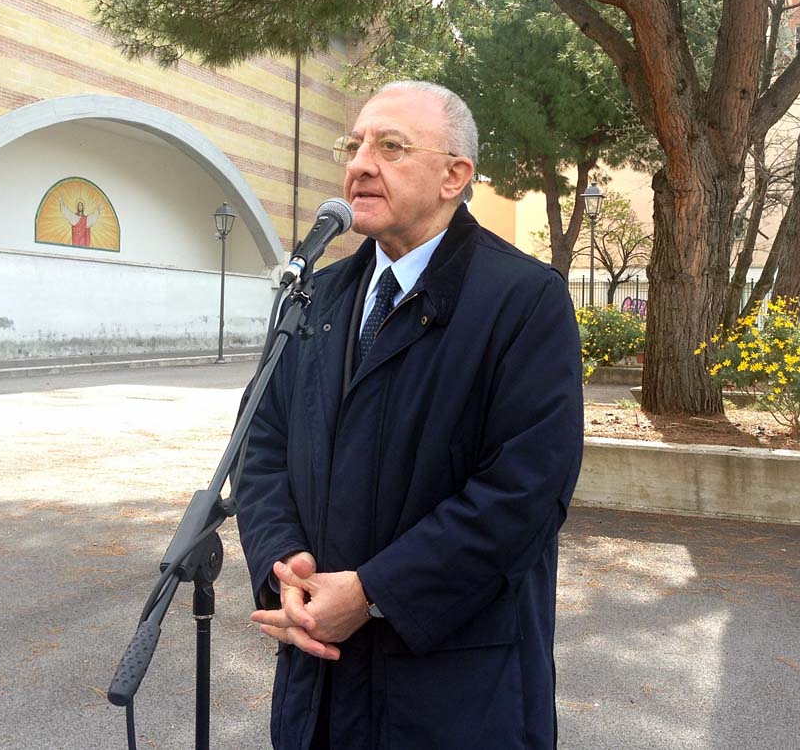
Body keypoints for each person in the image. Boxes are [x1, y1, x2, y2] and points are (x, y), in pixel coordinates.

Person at [235, 80, 584, 750]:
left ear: (455, 175)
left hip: (455, 694)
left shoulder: (521, 300)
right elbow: (261, 445)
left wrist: (371, 592)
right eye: (355, 143)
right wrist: (284, 566)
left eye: (390, 146)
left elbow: (523, 493)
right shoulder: (316, 296)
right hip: (322, 690)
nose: (360, 163)